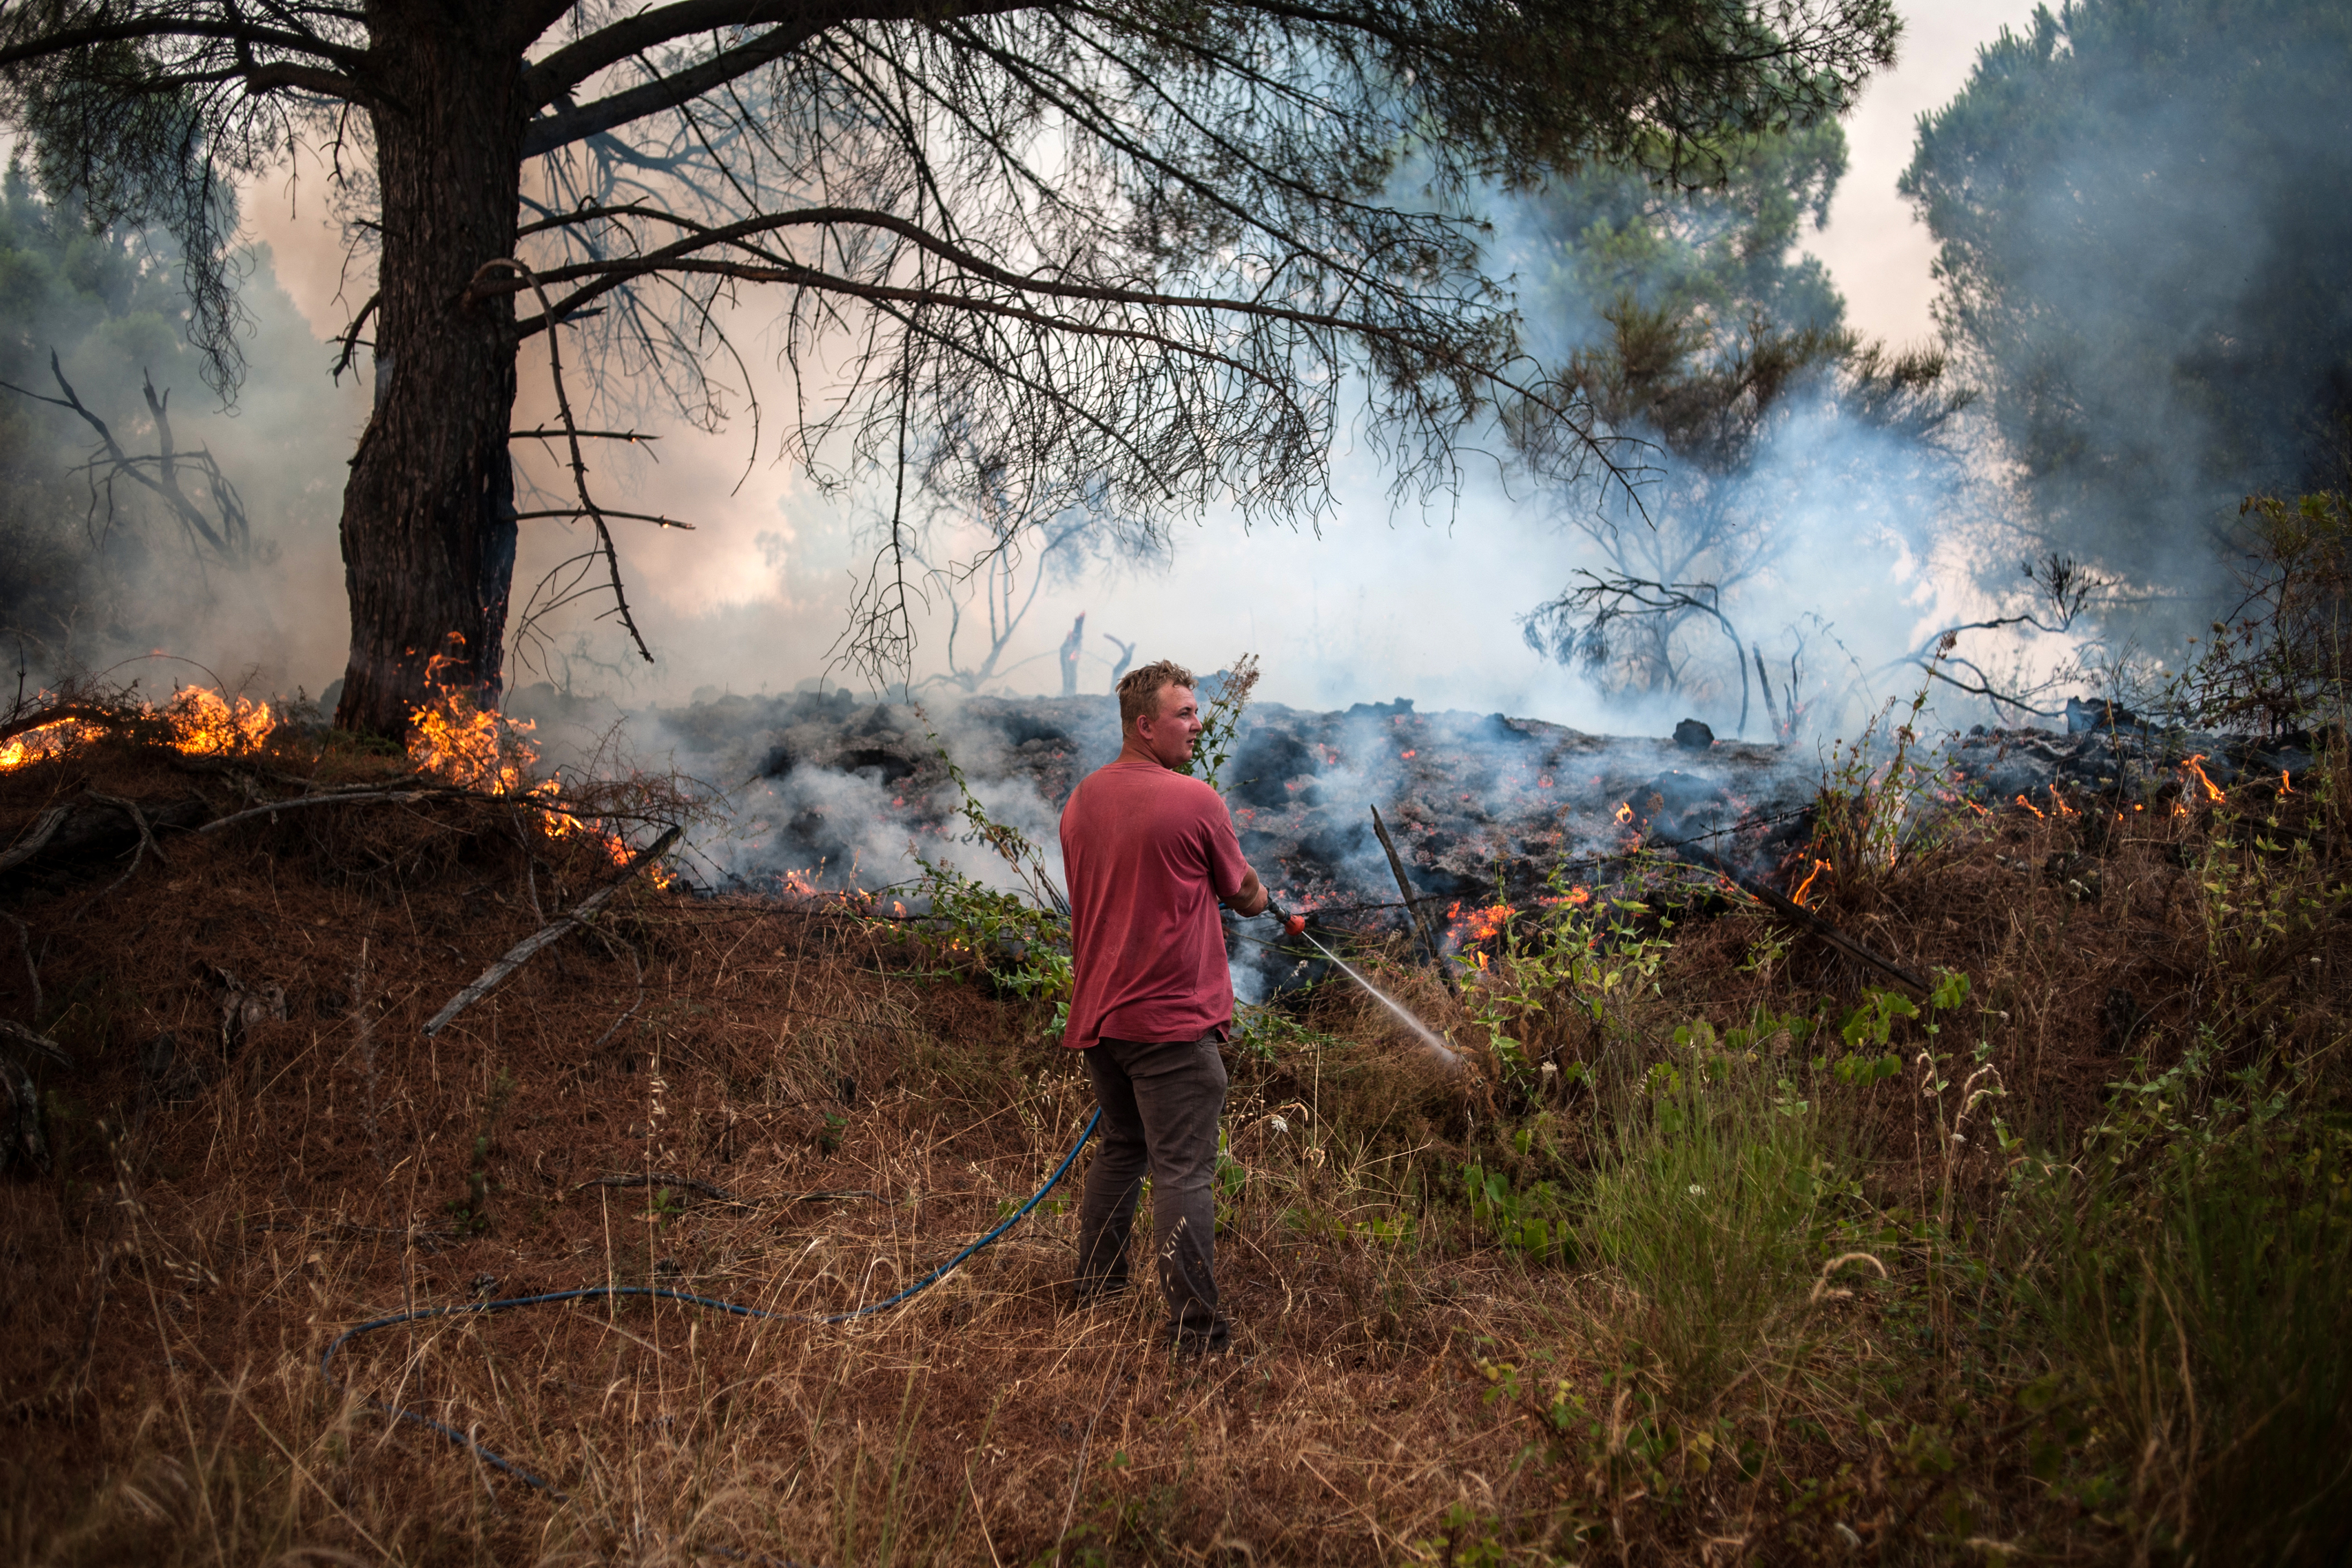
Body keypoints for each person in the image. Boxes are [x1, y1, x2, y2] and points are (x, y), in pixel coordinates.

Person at [1058, 658, 1269, 1353]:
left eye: (1196, 711)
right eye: (1184, 714)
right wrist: (1264, 899)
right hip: (1171, 1025)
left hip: (1104, 1021)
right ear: (1144, 726)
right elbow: (1242, 892)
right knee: (1183, 1172)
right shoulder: (1195, 800)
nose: (1197, 723)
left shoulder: (1082, 801)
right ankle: (1197, 1333)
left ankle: (1097, 1291)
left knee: (1124, 1149)